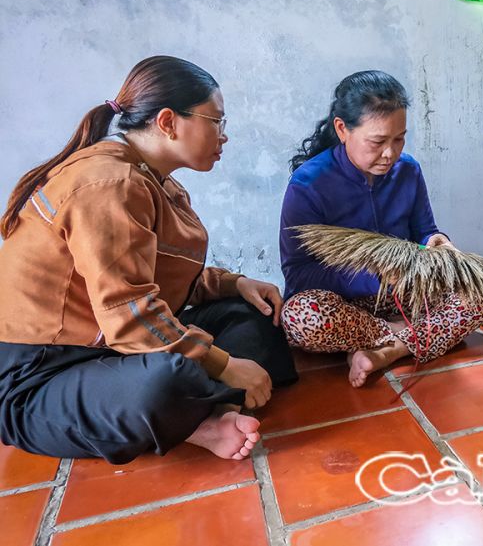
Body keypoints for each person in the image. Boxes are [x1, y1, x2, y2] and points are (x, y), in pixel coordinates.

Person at [0, 56, 297, 464]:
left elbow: (163, 275)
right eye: (216, 121)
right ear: (168, 122)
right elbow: (128, 316)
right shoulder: (108, 184)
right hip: (44, 373)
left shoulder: (151, 179)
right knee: (165, 381)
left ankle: (221, 411)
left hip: (115, 349)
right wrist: (224, 364)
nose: (224, 136)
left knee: (254, 314)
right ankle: (202, 423)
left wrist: (235, 284)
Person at [279, 71, 483, 387]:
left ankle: (384, 351)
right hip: (345, 303)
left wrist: (437, 243)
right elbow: (298, 274)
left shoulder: (408, 170)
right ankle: (404, 338)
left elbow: (424, 231)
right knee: (301, 317)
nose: (390, 153)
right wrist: (372, 278)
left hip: (405, 294)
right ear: (342, 129)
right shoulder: (308, 185)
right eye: (377, 141)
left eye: (399, 138)